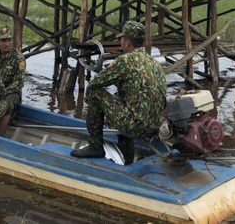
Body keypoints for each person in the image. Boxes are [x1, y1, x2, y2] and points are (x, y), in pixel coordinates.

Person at [71, 20, 166, 165]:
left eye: (122, 39)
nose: (121, 43)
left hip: (136, 127)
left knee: (96, 92)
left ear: (127, 42)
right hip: (155, 127)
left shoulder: (125, 61)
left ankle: (96, 146)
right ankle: (127, 158)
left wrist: (90, 97)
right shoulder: (154, 62)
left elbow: (96, 83)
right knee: (124, 103)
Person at [0, 25, 26, 112]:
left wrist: (2, 94)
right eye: (3, 40)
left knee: (5, 105)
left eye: (9, 40)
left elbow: (18, 82)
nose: (7, 44)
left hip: (12, 93)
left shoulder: (18, 58)